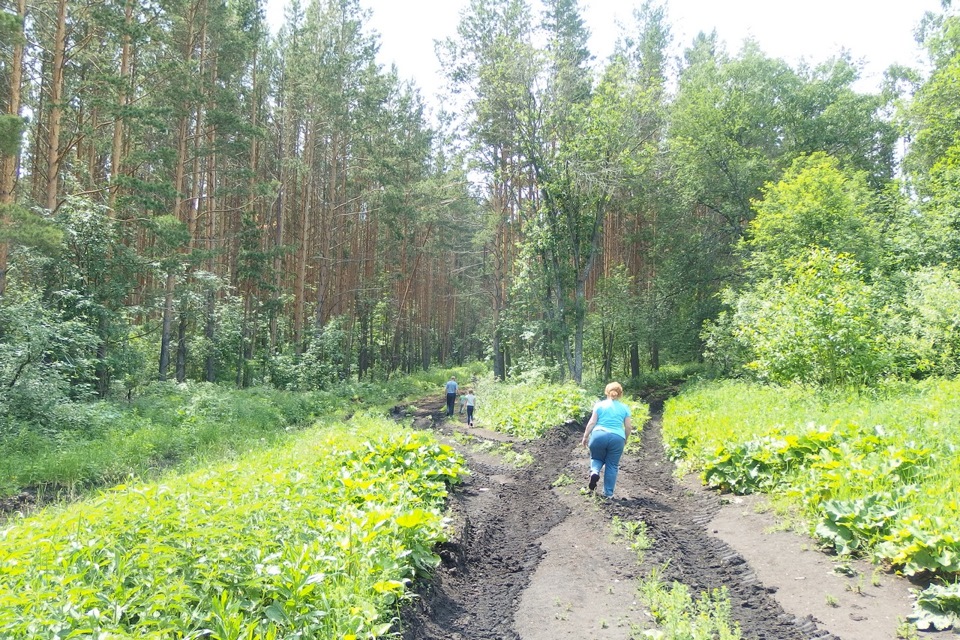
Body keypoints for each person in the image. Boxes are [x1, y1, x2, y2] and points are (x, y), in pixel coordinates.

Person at [580, 381, 632, 498]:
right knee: (612, 465)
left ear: (606, 392)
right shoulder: (625, 408)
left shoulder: (599, 405)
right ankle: (608, 494)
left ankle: (594, 472)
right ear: (620, 394)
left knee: (596, 457)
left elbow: (592, 422)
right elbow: (628, 426)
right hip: (617, 438)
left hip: (599, 435)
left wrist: (585, 436)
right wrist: (625, 439)